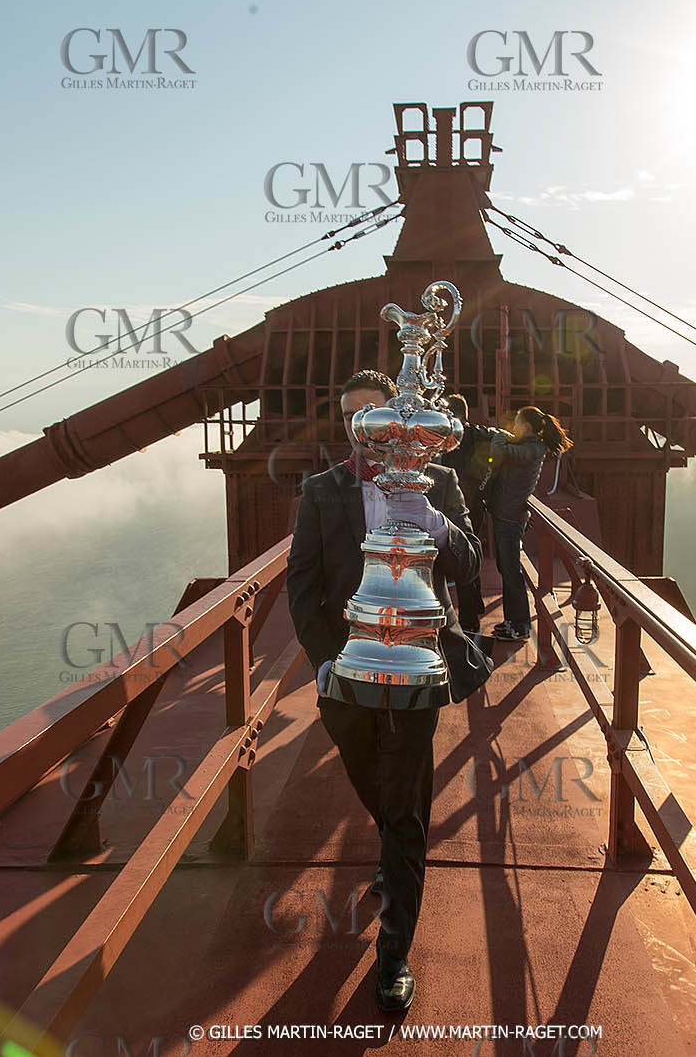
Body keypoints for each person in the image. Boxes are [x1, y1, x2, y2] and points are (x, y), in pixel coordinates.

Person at [285, 370, 493, 1013]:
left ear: (401, 417)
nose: (365, 428)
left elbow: (468, 565)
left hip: (416, 669)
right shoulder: (323, 490)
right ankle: (393, 847)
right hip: (346, 675)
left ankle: (394, 954)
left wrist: (434, 522)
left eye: (373, 412)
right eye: (354, 417)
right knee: (372, 784)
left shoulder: (440, 483)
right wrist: (324, 659)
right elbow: (302, 583)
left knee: (405, 811)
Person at [485, 406, 574, 642]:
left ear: (526, 427)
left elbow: (498, 451)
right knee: (506, 570)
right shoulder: (528, 446)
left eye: (516, 422)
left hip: (510, 518)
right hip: (506, 515)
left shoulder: (533, 449)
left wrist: (499, 434)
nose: (512, 426)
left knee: (511, 573)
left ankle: (521, 626)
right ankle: (511, 622)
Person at [435, 393, 493, 633]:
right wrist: (481, 490)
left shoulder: (452, 435)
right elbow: (490, 465)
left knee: (459, 559)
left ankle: (468, 620)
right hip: (474, 504)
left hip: (455, 504)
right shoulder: (481, 435)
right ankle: (474, 606)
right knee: (471, 552)